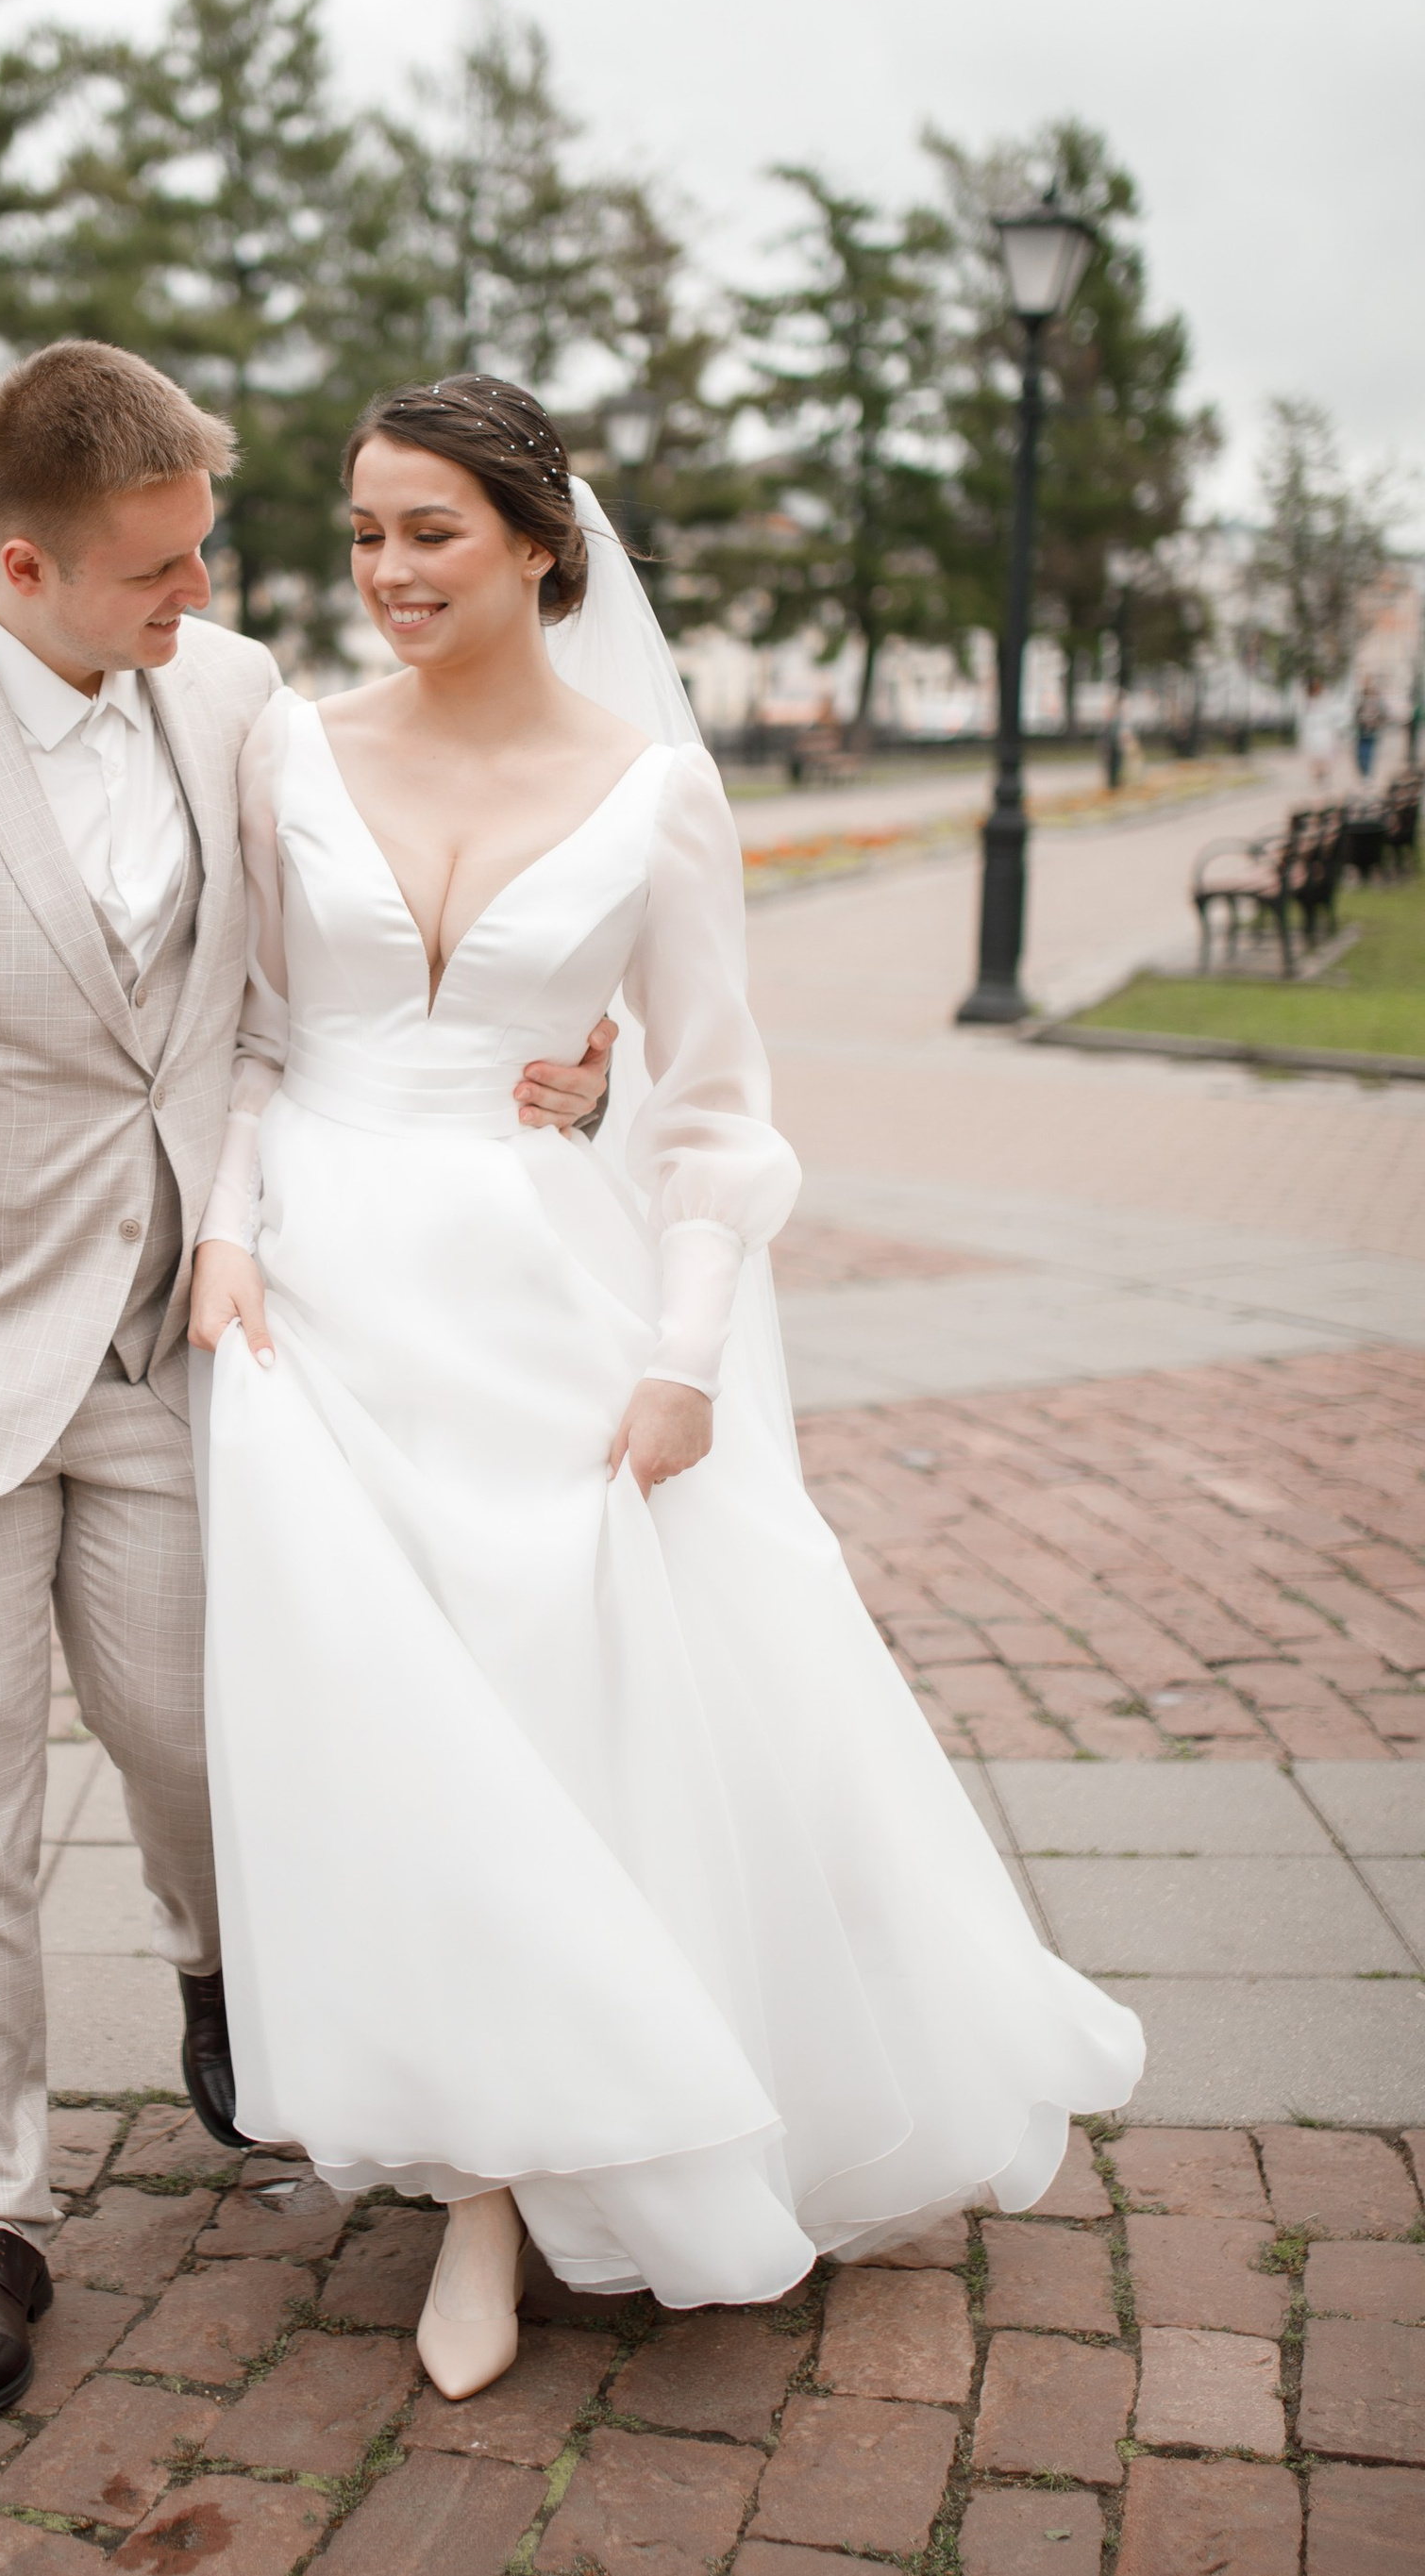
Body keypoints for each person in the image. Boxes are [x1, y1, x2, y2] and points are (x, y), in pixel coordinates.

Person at [0, 343, 613, 2417]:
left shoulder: (232, 693)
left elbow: (317, 979)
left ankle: (213, 1966)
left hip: (171, 1339)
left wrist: (567, 1045)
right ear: (24, 563)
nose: (205, 597)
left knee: (202, 1736)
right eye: (159, 572)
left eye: (207, 554)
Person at [188, 375, 1143, 2402]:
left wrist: (683, 1354)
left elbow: (711, 1111)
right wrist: (225, 1230)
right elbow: (249, 1038)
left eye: (425, 531)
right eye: (361, 533)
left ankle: (529, 2174)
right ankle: (472, 2178)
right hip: (312, 1317)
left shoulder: (651, 793)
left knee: (560, 1720)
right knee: (380, 1738)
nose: (383, 573)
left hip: (545, 1302)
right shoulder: (286, 751)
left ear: (540, 543)